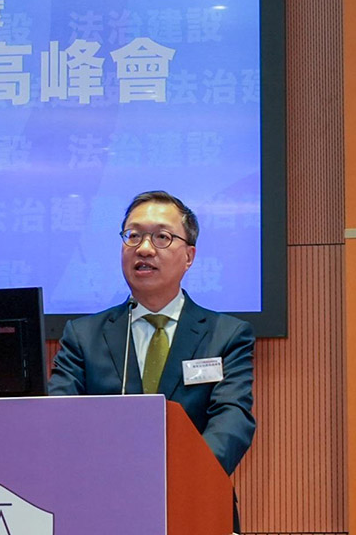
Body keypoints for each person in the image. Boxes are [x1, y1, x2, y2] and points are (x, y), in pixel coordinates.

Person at [48, 191, 255, 526]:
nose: (144, 249)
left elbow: (232, 420)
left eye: (162, 237)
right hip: (101, 507)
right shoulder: (83, 336)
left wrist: (181, 479)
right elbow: (59, 418)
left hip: (195, 503)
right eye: (133, 235)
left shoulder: (226, 335)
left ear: (189, 256)